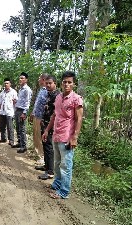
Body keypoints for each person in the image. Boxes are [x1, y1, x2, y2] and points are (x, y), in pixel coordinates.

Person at [42, 71, 83, 199]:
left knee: (66, 165)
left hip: (67, 137)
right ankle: (57, 183)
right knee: (57, 162)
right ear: (61, 83)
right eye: (64, 82)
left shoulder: (76, 99)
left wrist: (74, 137)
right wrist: (47, 130)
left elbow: (79, 119)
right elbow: (55, 115)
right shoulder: (59, 97)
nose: (66, 84)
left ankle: (64, 191)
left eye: (69, 82)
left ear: (74, 84)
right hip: (56, 134)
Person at [38, 75, 60, 180]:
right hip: (45, 122)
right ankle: (46, 166)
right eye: (46, 83)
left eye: (50, 83)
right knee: (45, 145)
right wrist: (42, 120)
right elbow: (46, 109)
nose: (48, 85)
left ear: (55, 83)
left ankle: (50, 171)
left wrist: (49, 126)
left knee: (49, 147)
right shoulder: (48, 93)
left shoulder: (57, 95)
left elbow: (56, 113)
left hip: (51, 125)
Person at [29, 74, 48, 165]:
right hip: (36, 116)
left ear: (43, 79)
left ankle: (43, 157)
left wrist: (43, 118)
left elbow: (45, 106)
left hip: (41, 118)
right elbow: (37, 103)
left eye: (39, 78)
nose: (38, 80)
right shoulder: (41, 90)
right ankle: (38, 153)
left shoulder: (47, 91)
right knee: (36, 136)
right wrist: (33, 112)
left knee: (40, 137)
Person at [12, 72, 33, 153]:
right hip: (18, 110)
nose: (20, 80)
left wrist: (24, 113)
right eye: (20, 78)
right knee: (17, 127)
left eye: (22, 78)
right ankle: (19, 142)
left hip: (22, 111)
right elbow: (21, 101)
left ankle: (24, 146)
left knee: (22, 128)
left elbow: (27, 102)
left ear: (26, 80)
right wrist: (16, 102)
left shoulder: (27, 90)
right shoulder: (21, 89)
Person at [0, 78, 18, 146]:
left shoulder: (13, 92)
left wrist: (15, 111)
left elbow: (16, 102)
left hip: (9, 112)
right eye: (5, 83)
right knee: (2, 126)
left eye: (7, 83)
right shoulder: (2, 92)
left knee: (10, 127)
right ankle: (3, 138)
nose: (6, 84)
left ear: (10, 84)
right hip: (2, 112)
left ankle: (11, 140)